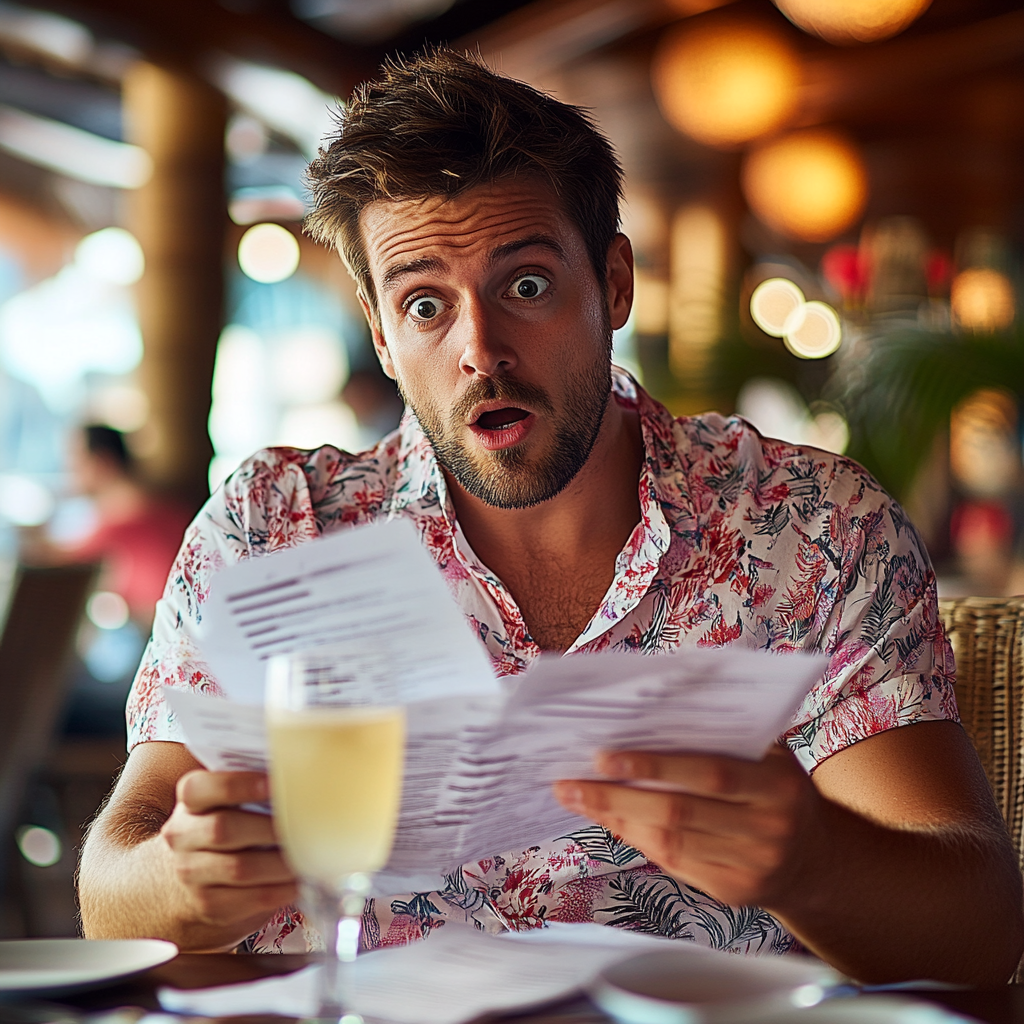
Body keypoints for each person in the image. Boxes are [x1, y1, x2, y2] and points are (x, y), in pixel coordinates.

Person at [78, 51, 1023, 983]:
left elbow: (978, 934)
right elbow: (110, 893)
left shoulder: (813, 527)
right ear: (379, 330)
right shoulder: (272, 528)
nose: (480, 350)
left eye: (525, 285)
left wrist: (810, 860)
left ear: (613, 283)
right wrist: (182, 878)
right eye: (424, 306)